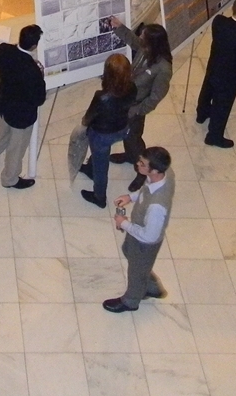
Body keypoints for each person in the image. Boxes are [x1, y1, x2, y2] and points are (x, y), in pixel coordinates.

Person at [103, 147, 175, 313]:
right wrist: (131, 197)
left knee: (136, 271)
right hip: (138, 231)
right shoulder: (162, 175)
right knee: (128, 250)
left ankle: (131, 301)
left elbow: (149, 236)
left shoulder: (157, 206)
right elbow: (146, 191)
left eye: (142, 163)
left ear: (155, 170)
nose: (137, 164)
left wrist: (124, 223)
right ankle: (152, 286)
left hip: (144, 243)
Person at [109, 21, 173, 190]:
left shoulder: (163, 68)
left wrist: (137, 111)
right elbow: (134, 41)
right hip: (126, 99)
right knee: (126, 134)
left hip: (136, 107)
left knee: (134, 137)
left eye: (144, 37)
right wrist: (119, 27)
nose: (141, 39)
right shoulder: (147, 48)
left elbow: (156, 96)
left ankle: (141, 172)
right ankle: (130, 156)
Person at [0, 25, 46, 189]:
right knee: (16, 148)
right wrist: (41, 77)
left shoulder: (4, 50)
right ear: (34, 46)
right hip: (22, 116)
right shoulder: (32, 70)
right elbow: (39, 99)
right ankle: (10, 179)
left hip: (4, 104)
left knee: (0, 132)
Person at [80, 54, 136, 208]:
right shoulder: (132, 87)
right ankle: (90, 167)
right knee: (98, 155)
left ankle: (99, 197)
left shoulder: (102, 97)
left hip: (101, 134)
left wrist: (84, 123)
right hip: (122, 128)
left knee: (101, 167)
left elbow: (89, 117)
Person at [196, 0, 236, 147]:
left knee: (206, 92)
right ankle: (214, 136)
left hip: (213, 66)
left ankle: (201, 114)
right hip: (228, 77)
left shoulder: (218, 22)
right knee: (222, 106)